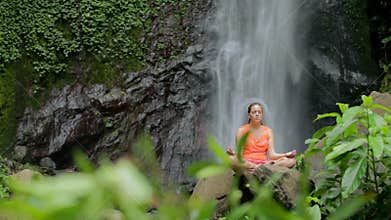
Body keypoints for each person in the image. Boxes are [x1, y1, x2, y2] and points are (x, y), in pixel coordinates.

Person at [227, 102, 296, 173]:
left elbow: (272, 155)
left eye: (259, 112)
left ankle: (259, 168)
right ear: (249, 115)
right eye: (254, 112)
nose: (257, 114)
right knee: (231, 159)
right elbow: (240, 154)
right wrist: (233, 153)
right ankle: (257, 167)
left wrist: (287, 154)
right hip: (247, 162)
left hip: (264, 163)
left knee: (291, 161)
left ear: (262, 115)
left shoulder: (268, 131)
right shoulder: (241, 130)